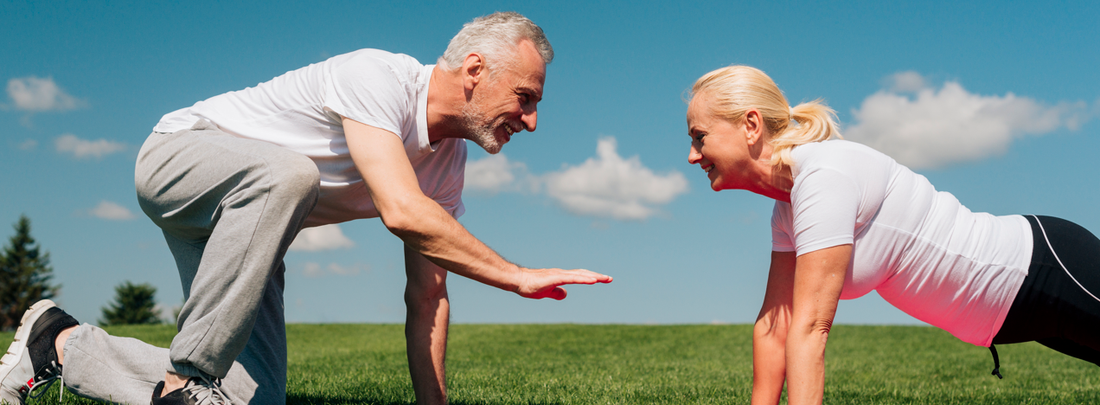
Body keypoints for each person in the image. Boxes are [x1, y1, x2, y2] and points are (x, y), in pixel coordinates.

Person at [0, 11, 612, 405]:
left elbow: (427, 295)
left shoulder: (447, 164)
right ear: (475, 70)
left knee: (249, 401)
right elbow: (402, 211)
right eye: (525, 98)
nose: (531, 121)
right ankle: (186, 381)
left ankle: (59, 342)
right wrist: (516, 276)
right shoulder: (380, 78)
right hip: (177, 161)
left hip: (248, 229)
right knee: (292, 173)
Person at [684, 65, 1100, 405]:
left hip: (1040, 269)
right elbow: (775, 325)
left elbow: (810, 327)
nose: (692, 155)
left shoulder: (823, 178)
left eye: (700, 138)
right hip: (1014, 313)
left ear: (751, 125)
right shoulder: (787, 211)